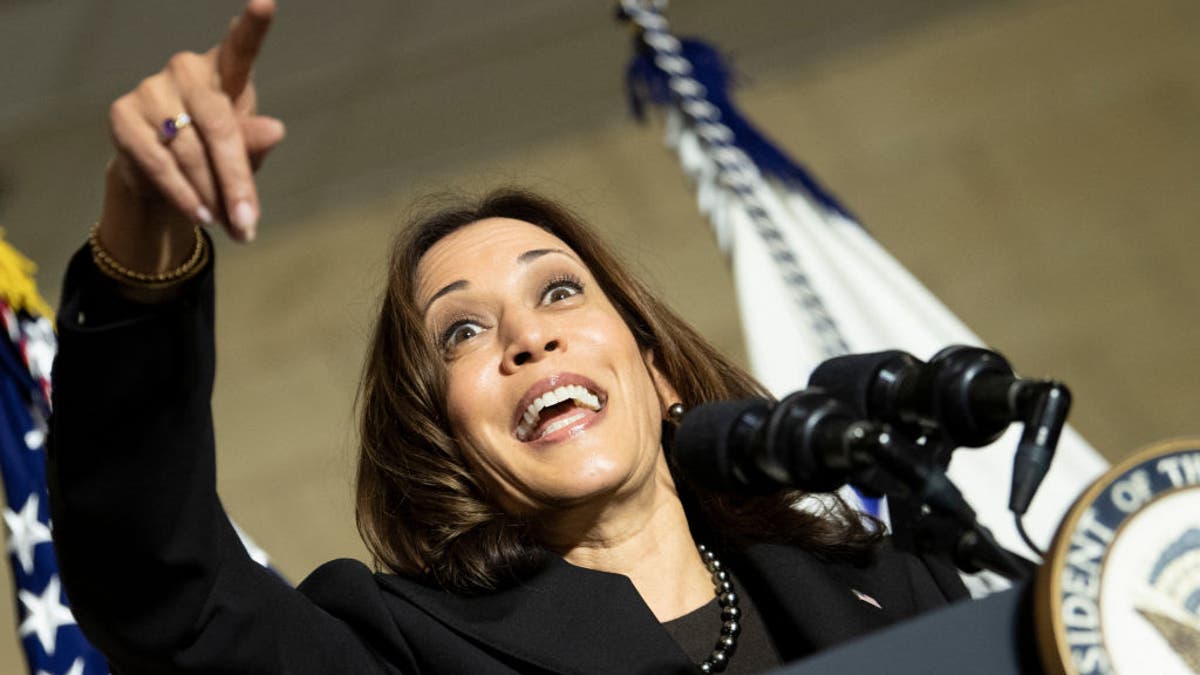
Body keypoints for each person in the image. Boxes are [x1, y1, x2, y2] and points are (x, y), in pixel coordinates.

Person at [47, 1, 967, 673]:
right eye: (462, 333)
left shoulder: (894, 586)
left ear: (655, 368)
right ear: (443, 440)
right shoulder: (395, 649)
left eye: (560, 291)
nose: (527, 337)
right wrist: (144, 235)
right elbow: (165, 592)